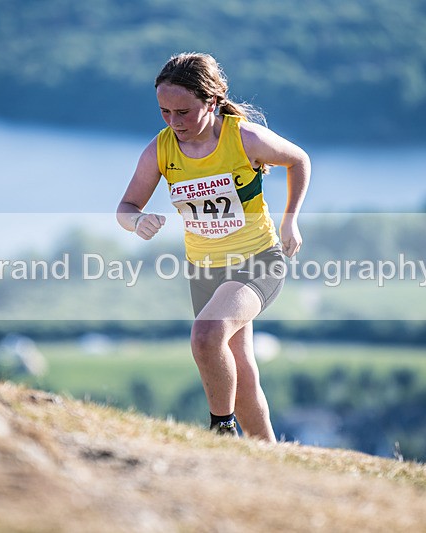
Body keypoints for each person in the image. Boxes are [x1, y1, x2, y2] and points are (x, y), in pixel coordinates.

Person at [116, 52, 310, 441]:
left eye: (183, 112)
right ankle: (267, 456)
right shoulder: (161, 150)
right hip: (204, 271)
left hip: (258, 261)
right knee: (241, 374)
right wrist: (137, 221)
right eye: (164, 111)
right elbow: (126, 207)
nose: (174, 122)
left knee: (206, 336)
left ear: (212, 101)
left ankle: (222, 431)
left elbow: (299, 160)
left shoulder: (245, 138)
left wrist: (290, 219)